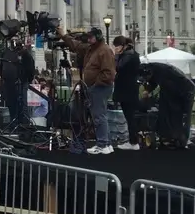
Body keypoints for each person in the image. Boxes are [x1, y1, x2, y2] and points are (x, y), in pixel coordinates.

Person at [58, 26, 116, 155]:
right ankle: (106, 144)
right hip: (96, 86)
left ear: (98, 37)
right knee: (100, 115)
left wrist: (95, 85)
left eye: (91, 37)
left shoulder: (104, 51)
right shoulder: (92, 49)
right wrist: (63, 35)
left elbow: (108, 73)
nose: (88, 39)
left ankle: (102, 144)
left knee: (98, 116)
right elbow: (76, 45)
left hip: (100, 87)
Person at [112, 35, 142, 150]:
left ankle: (133, 142)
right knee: (130, 116)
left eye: (117, 46)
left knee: (129, 116)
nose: (115, 48)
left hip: (126, 89)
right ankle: (133, 141)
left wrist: (116, 56)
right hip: (131, 88)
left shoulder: (127, 55)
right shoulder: (133, 54)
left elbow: (118, 67)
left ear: (122, 46)